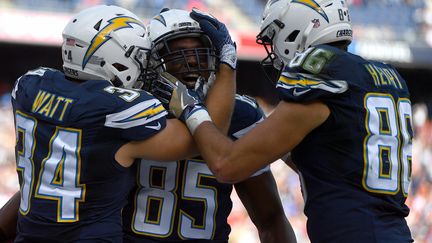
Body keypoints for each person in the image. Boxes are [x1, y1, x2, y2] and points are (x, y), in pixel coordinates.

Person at [162, 2, 414, 243]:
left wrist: (191, 109)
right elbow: (328, 161)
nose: (273, 51)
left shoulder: (323, 70)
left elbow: (225, 165)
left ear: (296, 30)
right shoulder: (384, 75)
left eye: (274, 37)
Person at [3, 4, 236, 242]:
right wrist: (200, 96)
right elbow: (203, 140)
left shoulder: (29, 85)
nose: (145, 67)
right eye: (140, 57)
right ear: (115, 57)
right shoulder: (118, 109)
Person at [121, 8, 296, 243]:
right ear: (152, 60)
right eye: (179, 53)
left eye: (200, 53)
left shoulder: (241, 115)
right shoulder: (131, 110)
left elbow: (270, 218)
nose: (191, 61)